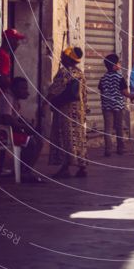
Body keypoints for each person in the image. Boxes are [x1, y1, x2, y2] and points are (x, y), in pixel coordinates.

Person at [0, 77, 44, 182]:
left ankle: (24, 171)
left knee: (38, 140)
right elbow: (7, 120)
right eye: (22, 88)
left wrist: (28, 125)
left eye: (26, 89)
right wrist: (25, 128)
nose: (26, 92)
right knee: (31, 142)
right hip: (0, 134)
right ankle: (23, 173)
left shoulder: (14, 99)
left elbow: (17, 117)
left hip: (7, 132)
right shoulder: (7, 98)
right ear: (13, 88)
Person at [47, 46, 88, 179]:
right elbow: (84, 94)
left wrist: (45, 102)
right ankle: (82, 167)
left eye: (63, 56)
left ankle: (65, 168)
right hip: (79, 111)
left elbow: (54, 90)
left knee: (66, 138)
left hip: (66, 110)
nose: (61, 58)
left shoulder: (64, 72)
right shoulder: (80, 73)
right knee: (78, 138)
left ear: (68, 58)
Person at [0, 28, 26, 113]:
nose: (18, 44)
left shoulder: (0, 53)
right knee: (1, 123)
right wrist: (15, 93)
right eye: (16, 40)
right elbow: (2, 79)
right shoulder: (3, 56)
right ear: (9, 41)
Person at [98, 54, 131, 156]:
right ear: (114, 66)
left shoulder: (103, 78)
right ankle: (120, 148)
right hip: (118, 106)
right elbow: (124, 92)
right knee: (119, 127)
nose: (119, 64)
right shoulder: (119, 77)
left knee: (107, 128)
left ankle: (108, 150)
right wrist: (132, 96)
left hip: (106, 106)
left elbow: (101, 89)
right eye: (118, 62)